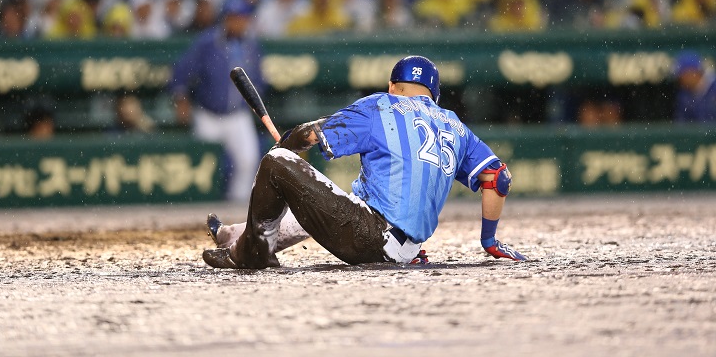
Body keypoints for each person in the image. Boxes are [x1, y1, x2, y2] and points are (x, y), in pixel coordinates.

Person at [202, 56, 527, 269]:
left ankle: (252, 252)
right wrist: (489, 241)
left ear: (392, 86)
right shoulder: (453, 123)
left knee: (277, 162)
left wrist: (289, 142)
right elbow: (498, 179)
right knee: (345, 198)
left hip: (371, 238)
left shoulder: (382, 105)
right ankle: (237, 235)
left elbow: (313, 135)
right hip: (406, 249)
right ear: (434, 94)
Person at [169, 0, 264, 203]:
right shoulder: (208, 43)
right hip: (208, 114)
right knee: (205, 165)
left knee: (248, 160)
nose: (239, 23)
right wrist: (181, 99)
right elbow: (182, 72)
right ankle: (201, 209)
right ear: (226, 19)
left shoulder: (251, 45)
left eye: (242, 18)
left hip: (237, 115)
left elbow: (258, 80)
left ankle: (237, 206)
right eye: (235, 18)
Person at [673, 51, 716, 123]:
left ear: (692, 72)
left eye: (682, 75)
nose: (680, 80)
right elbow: (682, 125)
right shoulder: (684, 96)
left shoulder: (713, 86)